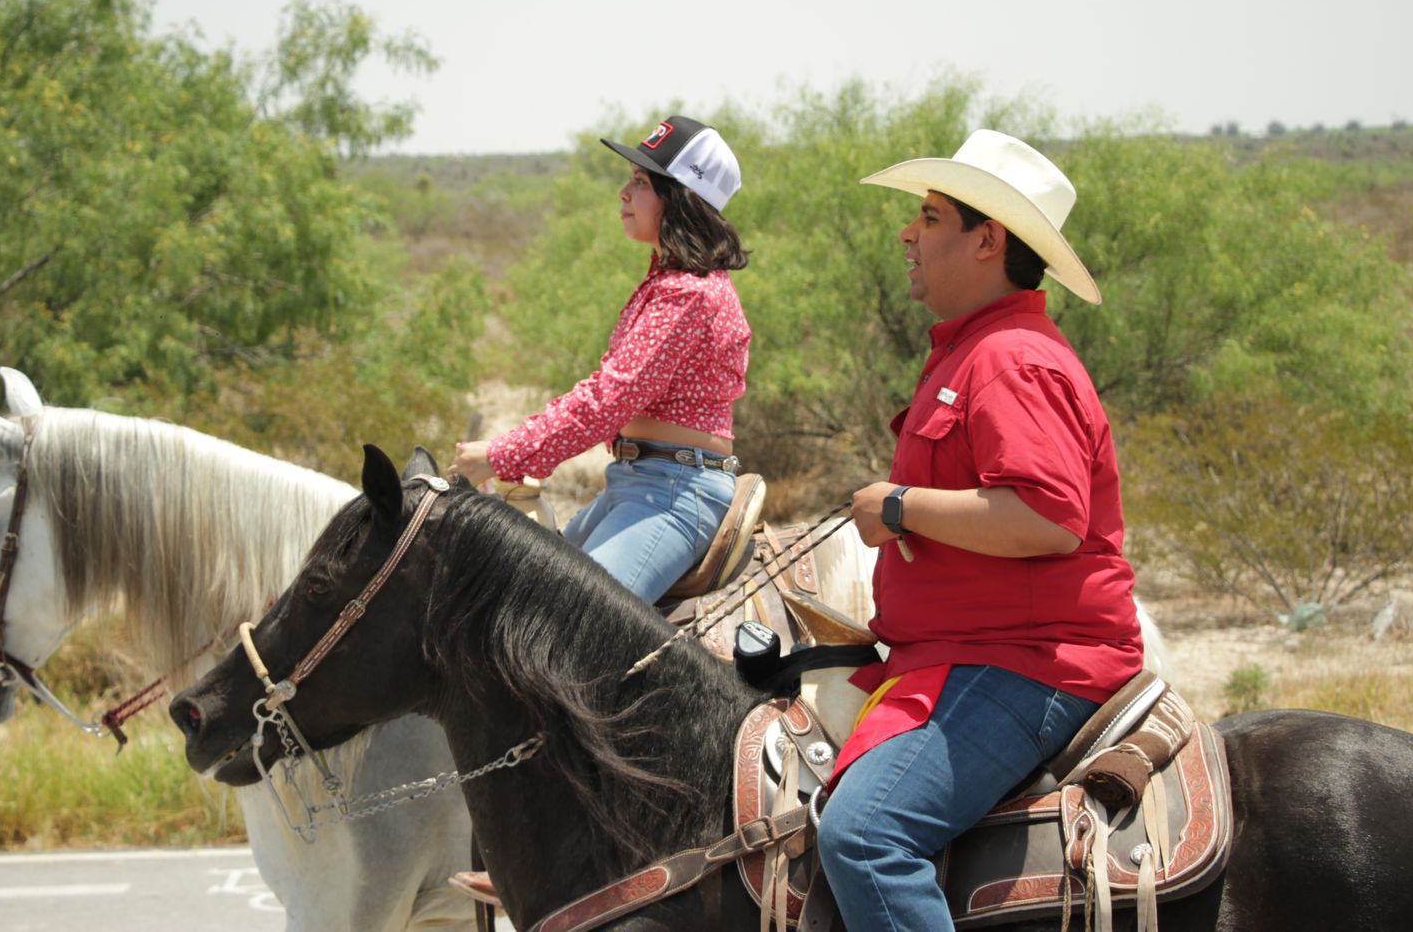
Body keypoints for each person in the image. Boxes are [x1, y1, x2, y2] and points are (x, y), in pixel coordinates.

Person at [815, 130, 1144, 931]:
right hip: (967, 653)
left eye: (929, 216)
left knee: (866, 835)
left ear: (988, 240)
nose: (907, 233)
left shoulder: (1008, 359)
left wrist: (896, 507)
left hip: (1029, 664)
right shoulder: (978, 350)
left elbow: (1046, 517)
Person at [449, 116, 751, 605]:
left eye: (641, 182)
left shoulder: (686, 294)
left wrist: (501, 454)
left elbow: (608, 399)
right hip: (639, 484)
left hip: (673, 493)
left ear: (680, 199)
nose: (623, 193)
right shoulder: (668, 286)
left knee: (563, 629)